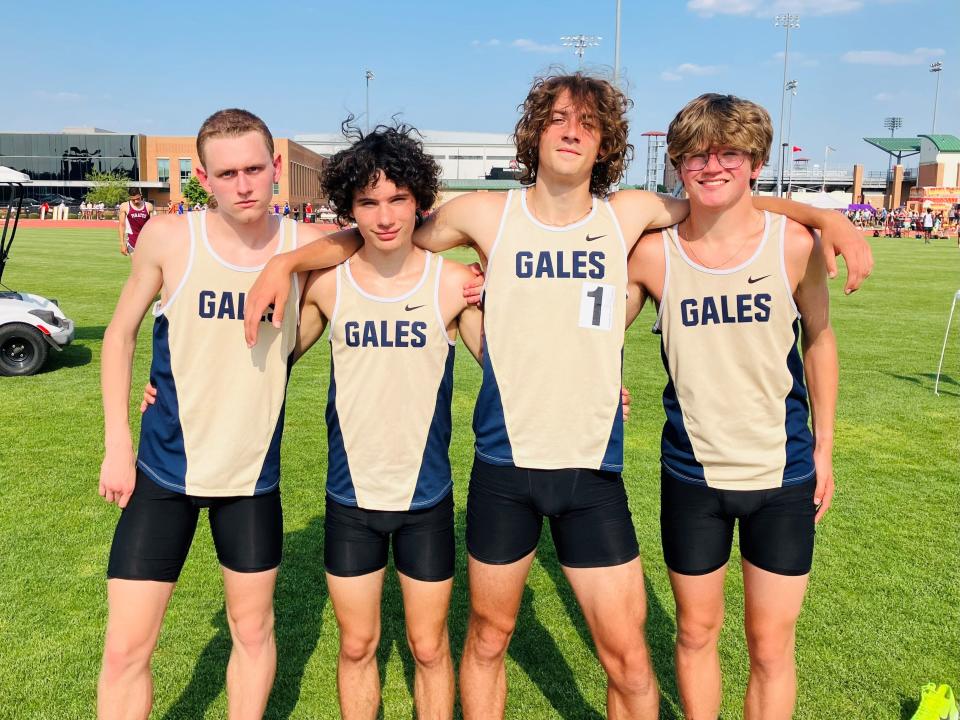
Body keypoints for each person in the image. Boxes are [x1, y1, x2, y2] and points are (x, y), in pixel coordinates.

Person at [244, 73, 872, 719]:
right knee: (488, 639)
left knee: (627, 658)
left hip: (593, 473)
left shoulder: (630, 213)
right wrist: (284, 264)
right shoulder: (485, 214)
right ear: (535, 133)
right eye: (558, 119)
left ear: (605, 145)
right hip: (504, 470)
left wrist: (824, 216)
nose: (572, 131)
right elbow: (383, 229)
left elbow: (728, 199)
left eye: (589, 123)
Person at [96, 108, 358, 720]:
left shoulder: (302, 246)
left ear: (275, 170)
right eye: (227, 172)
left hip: (251, 479)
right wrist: (116, 442)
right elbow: (119, 336)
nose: (243, 184)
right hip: (163, 472)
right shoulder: (169, 237)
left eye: (255, 168)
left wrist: (282, 264)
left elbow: (370, 235)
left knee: (252, 631)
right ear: (204, 179)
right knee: (128, 647)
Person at [625, 93, 837, 720]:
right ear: (677, 163)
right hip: (692, 474)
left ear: (755, 161)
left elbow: (820, 343)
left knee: (771, 645)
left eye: (728, 153)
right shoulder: (654, 253)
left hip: (783, 473)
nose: (711, 166)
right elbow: (596, 328)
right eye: (695, 154)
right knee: (695, 634)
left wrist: (825, 448)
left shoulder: (795, 244)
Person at [296, 121, 482, 720]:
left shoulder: (454, 285)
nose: (384, 216)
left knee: (429, 648)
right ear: (349, 208)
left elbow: (512, 365)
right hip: (350, 498)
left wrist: (594, 390)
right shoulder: (328, 286)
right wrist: (164, 387)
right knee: (357, 644)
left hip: (425, 498)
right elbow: (267, 363)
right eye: (368, 202)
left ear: (418, 201)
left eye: (398, 198)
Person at [117, 189, 154, 256]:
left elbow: (153, 226)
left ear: (141, 195)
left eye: (138, 198)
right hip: (132, 241)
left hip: (146, 241)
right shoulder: (125, 206)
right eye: (133, 200)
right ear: (129, 198)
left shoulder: (148, 206)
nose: (136, 201)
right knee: (136, 265)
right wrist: (122, 244)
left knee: (146, 265)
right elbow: (121, 225)